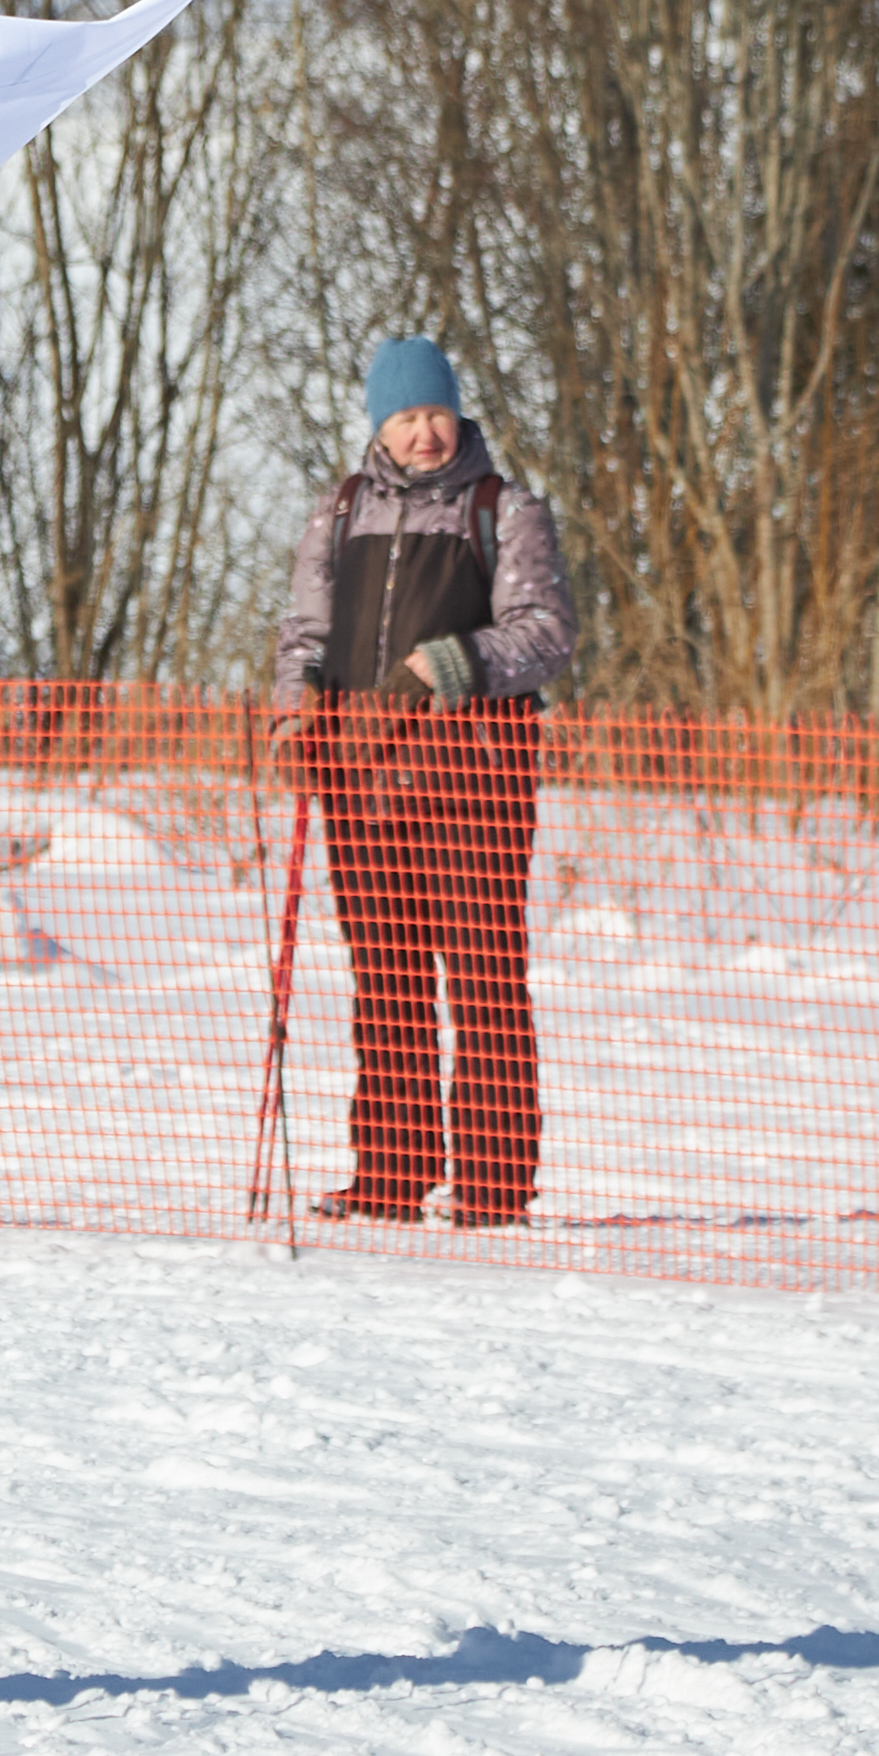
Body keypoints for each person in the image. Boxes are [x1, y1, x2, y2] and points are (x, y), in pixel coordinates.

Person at [271, 336, 576, 1227]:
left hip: (474, 785)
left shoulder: (505, 510)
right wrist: (295, 717)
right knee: (388, 980)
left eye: (435, 413)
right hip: (361, 786)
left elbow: (545, 631)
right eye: (405, 418)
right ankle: (391, 1175)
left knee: (483, 977)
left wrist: (441, 665)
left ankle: (491, 1184)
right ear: (380, 424)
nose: (425, 433)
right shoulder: (340, 513)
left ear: (456, 411)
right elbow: (305, 631)